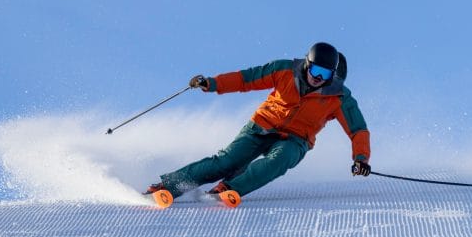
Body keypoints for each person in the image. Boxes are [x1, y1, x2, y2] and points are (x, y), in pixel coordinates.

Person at [144, 42, 371, 206]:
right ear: (307, 64)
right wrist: (212, 83)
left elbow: (357, 129)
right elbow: (246, 79)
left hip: (295, 140)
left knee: (277, 161)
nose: (318, 78)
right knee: (227, 161)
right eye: (315, 70)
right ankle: (168, 186)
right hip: (262, 125)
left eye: (325, 74)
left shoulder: (339, 97)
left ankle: (229, 188)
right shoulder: (284, 70)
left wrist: (360, 159)